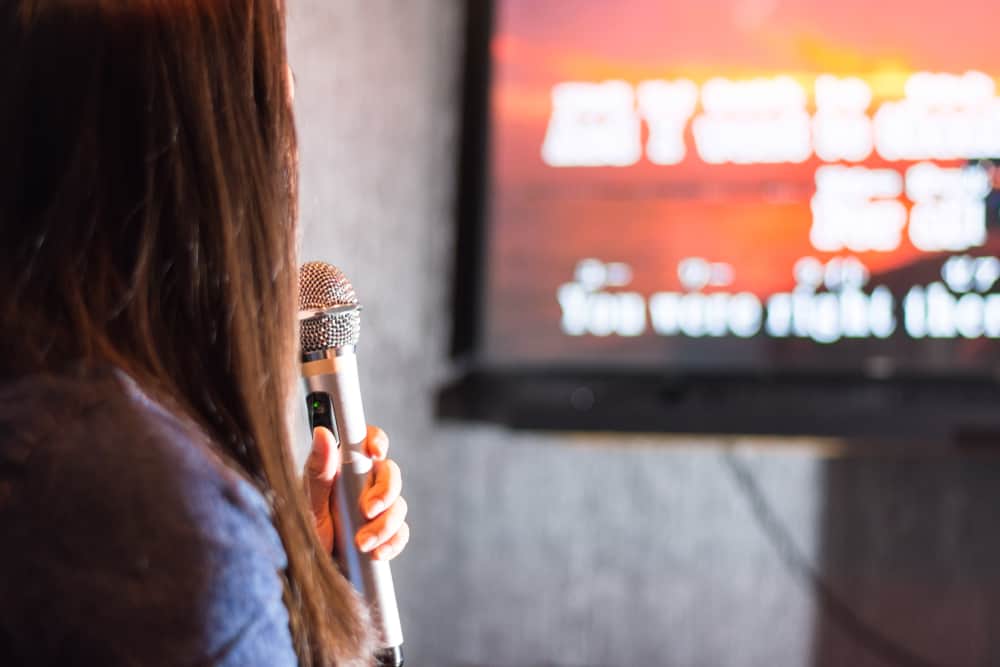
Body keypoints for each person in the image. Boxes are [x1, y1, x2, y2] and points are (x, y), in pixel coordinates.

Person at [0, 1, 409, 666]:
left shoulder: (69, 433)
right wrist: (232, 569)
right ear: (213, 150)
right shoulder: (140, 503)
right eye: (276, 88)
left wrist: (294, 582)